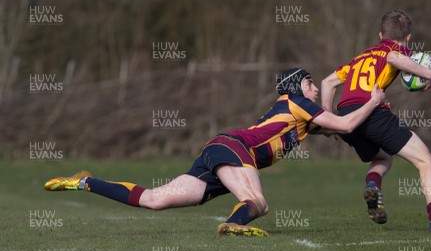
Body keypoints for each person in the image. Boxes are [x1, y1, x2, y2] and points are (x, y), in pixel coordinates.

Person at [44, 68, 386, 237]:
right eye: (309, 82)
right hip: (234, 150)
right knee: (259, 204)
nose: (314, 86)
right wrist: (372, 100)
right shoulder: (296, 101)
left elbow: (342, 127)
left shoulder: (304, 115)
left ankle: (86, 181)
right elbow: (342, 125)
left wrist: (349, 90)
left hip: (222, 151)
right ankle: (233, 226)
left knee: (153, 199)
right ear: (297, 88)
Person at [320, 10, 431, 232]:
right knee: (427, 161)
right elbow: (394, 58)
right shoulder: (396, 49)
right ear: (408, 38)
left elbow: (327, 82)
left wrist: (328, 118)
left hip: (345, 117)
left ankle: (372, 186)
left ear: (380, 35)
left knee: (384, 158)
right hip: (371, 113)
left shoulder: (361, 56)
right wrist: (429, 74)